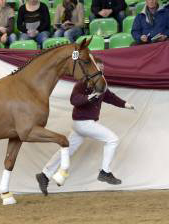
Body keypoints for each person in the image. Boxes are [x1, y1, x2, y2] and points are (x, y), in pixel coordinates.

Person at [36, 59, 135, 196]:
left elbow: (111, 97)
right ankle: (104, 172)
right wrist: (90, 97)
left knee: (67, 150)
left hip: (81, 126)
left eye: (102, 70)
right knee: (113, 140)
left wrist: (125, 104)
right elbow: (74, 100)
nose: (101, 72)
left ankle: (44, 174)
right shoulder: (82, 84)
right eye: (99, 69)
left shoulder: (101, 85)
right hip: (83, 123)